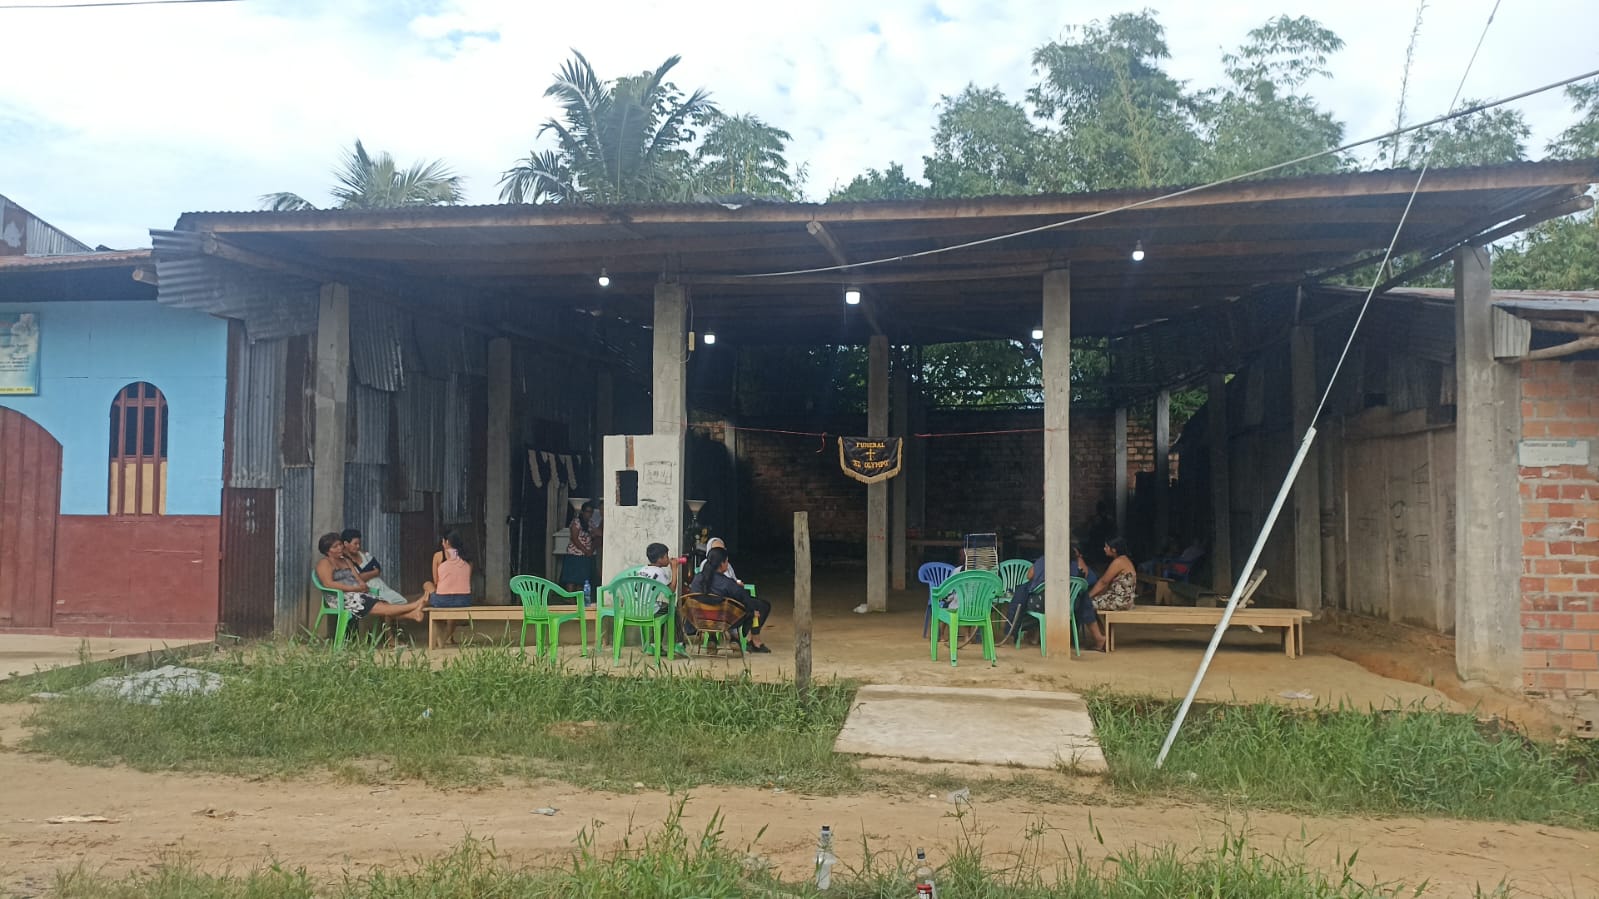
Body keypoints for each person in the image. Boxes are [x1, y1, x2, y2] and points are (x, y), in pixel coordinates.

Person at [314, 533, 426, 627]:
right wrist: (353, 588)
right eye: (335, 547)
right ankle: (414, 606)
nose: (340, 548)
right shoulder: (324, 563)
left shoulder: (346, 561)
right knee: (380, 607)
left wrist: (362, 586)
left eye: (340, 545)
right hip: (339, 598)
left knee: (384, 603)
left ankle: (412, 614)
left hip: (356, 593)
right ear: (327, 551)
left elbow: (357, 578)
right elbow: (328, 584)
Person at [1002, 542, 1096, 642]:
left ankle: (1017, 630)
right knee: (1082, 596)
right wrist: (1078, 558)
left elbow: (1029, 576)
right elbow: (1086, 576)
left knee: (1024, 591)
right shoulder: (1074, 564)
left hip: (1043, 604)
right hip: (1069, 604)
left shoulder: (1044, 560)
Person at [687, 546, 771, 653]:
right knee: (755, 607)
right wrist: (751, 611)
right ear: (722, 564)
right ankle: (740, 638)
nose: (727, 564)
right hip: (724, 620)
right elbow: (743, 597)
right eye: (727, 561)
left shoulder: (697, 578)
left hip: (700, 619)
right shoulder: (726, 583)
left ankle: (712, 638)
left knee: (715, 606)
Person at [1084, 536, 1138, 651]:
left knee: (1085, 605)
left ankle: (1100, 640)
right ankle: (1103, 637)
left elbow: (1103, 582)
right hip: (1124, 600)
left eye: (1106, 547)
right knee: (1091, 604)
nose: (1104, 549)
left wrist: (1088, 596)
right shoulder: (1124, 560)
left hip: (1120, 601)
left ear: (1114, 549)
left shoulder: (1119, 562)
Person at [339, 528, 407, 605]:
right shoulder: (344, 560)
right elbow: (357, 578)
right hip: (368, 589)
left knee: (402, 601)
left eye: (359, 543)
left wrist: (369, 573)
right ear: (346, 543)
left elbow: (377, 568)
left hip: (379, 584)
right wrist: (373, 572)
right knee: (389, 604)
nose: (358, 546)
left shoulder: (362, 554)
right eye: (355, 544)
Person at [430, 530, 475, 645]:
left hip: (442, 600)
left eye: (443, 541)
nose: (442, 543)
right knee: (454, 600)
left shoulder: (438, 556)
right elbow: (466, 580)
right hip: (464, 600)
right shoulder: (467, 558)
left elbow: (436, 581)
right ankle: (446, 638)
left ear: (447, 542)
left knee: (428, 586)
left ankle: (441, 639)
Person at [563, 501, 601, 591]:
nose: (589, 514)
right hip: (575, 554)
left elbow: (597, 533)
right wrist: (585, 550)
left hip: (585, 555)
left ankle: (578, 599)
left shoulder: (590, 523)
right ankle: (570, 598)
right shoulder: (576, 522)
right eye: (587, 511)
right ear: (582, 512)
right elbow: (574, 538)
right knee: (571, 579)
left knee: (582, 579)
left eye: (591, 512)